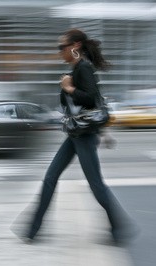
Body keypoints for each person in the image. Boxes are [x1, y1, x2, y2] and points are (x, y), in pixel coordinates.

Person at [20, 29, 137, 244]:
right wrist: (68, 89)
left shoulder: (83, 67)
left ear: (75, 46)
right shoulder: (77, 68)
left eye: (61, 47)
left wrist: (69, 88)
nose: (59, 52)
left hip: (83, 136)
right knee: (50, 178)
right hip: (76, 134)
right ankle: (31, 230)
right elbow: (84, 105)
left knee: (95, 185)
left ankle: (119, 227)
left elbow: (92, 99)